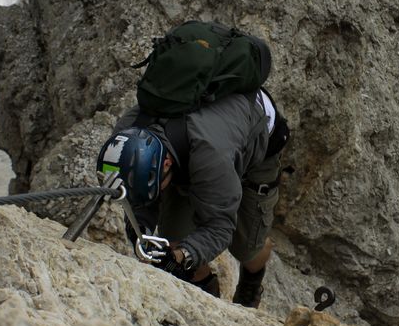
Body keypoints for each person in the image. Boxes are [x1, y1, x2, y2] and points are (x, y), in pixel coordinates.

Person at [97, 87, 289, 308]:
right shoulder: (125, 137)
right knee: (173, 244)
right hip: (194, 146)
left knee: (246, 249)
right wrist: (142, 226)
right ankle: (208, 303)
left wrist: (182, 256)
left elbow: (220, 227)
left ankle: (250, 285)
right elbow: (138, 192)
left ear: (166, 164)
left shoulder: (210, 155)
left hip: (256, 150)